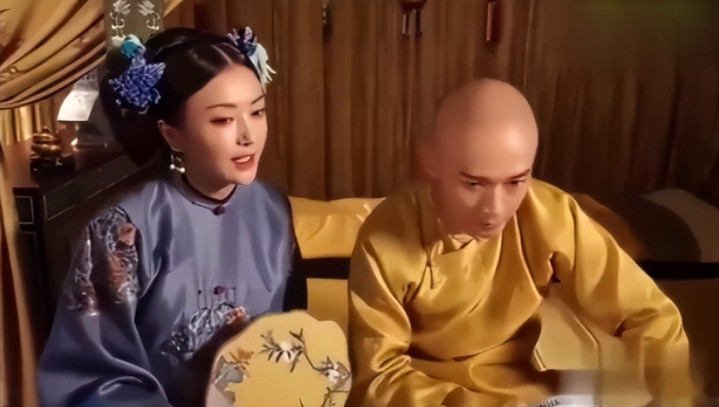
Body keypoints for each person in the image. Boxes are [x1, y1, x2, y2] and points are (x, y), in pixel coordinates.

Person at [347, 79, 696, 406]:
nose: (495, 209)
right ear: (432, 162)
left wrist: (676, 396)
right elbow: (379, 379)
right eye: (473, 184)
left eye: (515, 182)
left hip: (522, 391)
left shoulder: (549, 215)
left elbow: (648, 315)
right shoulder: (385, 239)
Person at [38, 27, 299, 407]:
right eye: (223, 120)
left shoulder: (272, 209)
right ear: (172, 134)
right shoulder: (125, 229)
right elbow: (93, 375)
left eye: (257, 112)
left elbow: (291, 333)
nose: (249, 135)